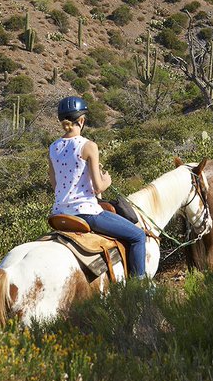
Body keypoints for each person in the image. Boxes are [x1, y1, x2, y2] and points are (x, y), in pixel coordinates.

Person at [49, 95, 147, 278]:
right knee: (138, 236)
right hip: (86, 213)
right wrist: (107, 179)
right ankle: (141, 287)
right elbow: (99, 187)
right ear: (82, 120)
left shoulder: (53, 147)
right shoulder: (88, 146)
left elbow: (55, 183)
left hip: (59, 214)